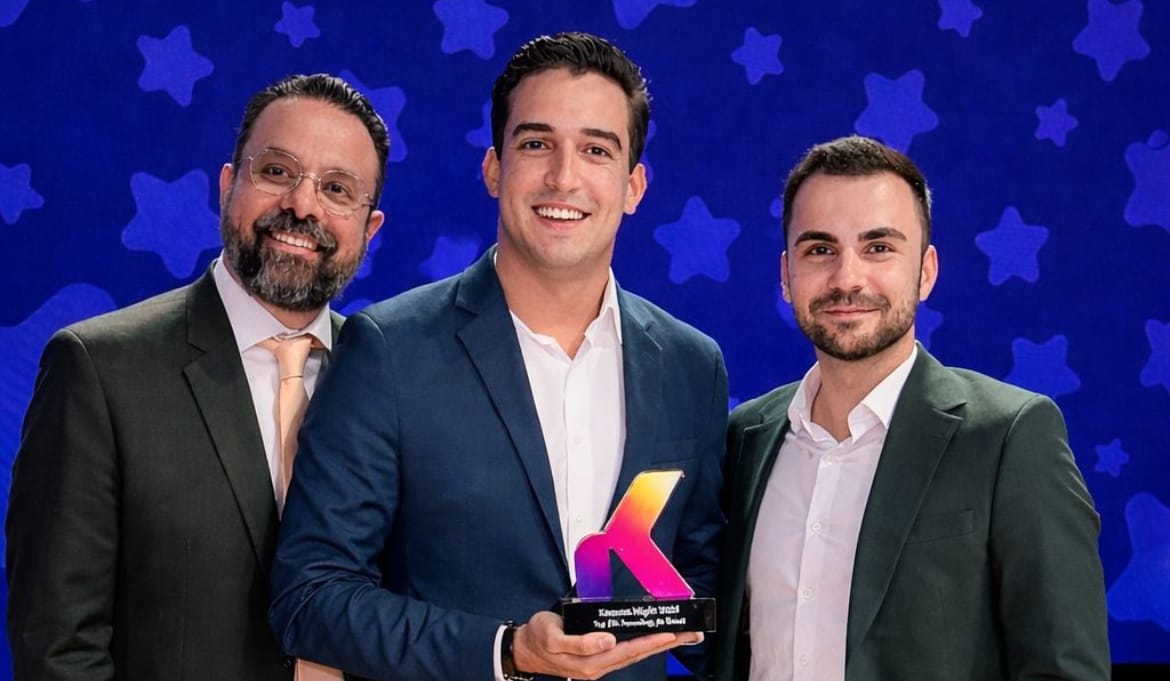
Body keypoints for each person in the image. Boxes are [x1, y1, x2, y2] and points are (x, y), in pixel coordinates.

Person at [269, 32, 726, 681]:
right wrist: (506, 649)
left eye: (596, 149)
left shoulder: (691, 367)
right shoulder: (389, 350)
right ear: (493, 168)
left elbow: (706, 599)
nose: (564, 176)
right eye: (536, 144)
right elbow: (310, 598)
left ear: (633, 185)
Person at [6, 73, 387, 680]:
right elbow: (59, 646)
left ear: (369, 229)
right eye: (277, 172)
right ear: (228, 185)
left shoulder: (391, 377)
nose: (302, 205)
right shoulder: (99, 370)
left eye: (337, 189)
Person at [714, 135, 1110, 681]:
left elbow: (1065, 668)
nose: (847, 278)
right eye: (820, 250)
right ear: (786, 275)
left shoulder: (1009, 437)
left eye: (878, 248)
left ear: (926, 271)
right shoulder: (746, 438)